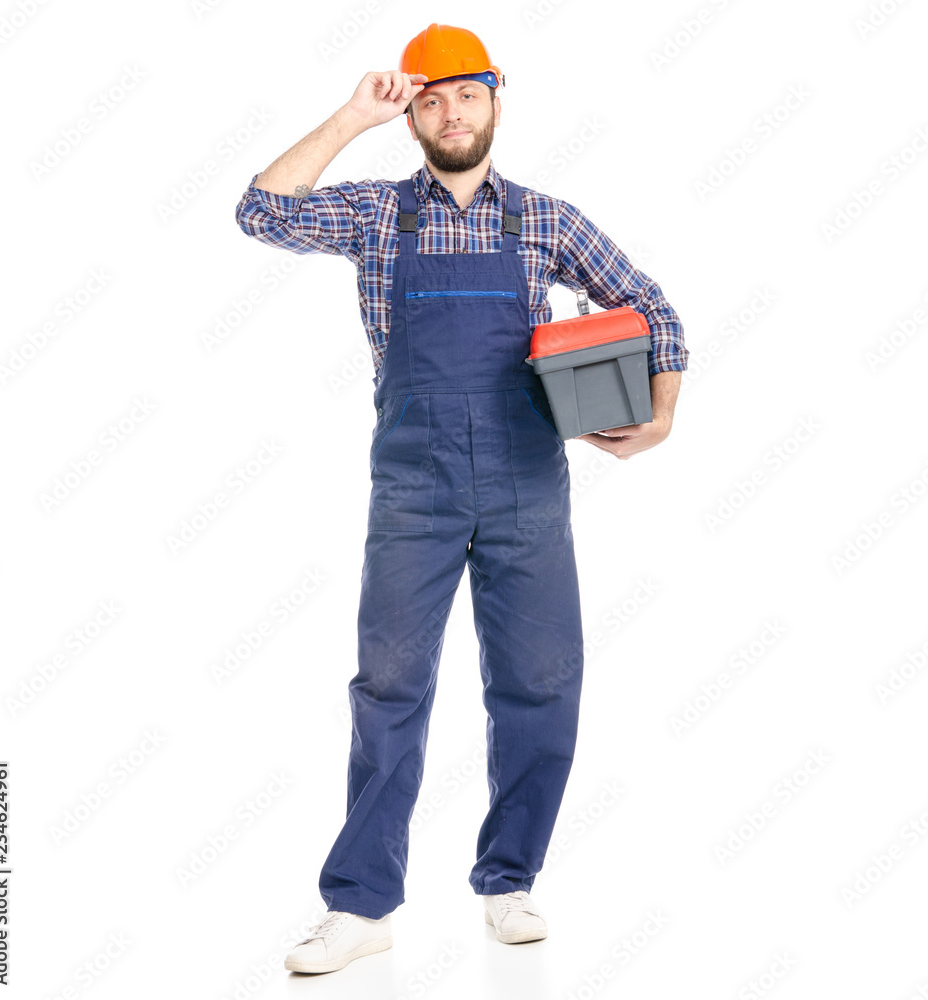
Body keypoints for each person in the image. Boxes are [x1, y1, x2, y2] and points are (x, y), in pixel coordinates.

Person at [234, 22, 689, 976]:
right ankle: (362, 906)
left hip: (528, 483)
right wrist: (353, 116)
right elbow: (261, 212)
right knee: (390, 689)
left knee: (540, 685)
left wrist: (658, 416)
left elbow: (655, 310)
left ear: (494, 100)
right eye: (430, 98)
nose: (450, 112)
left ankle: (508, 881)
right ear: (414, 116)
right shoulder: (375, 215)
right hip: (414, 483)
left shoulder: (544, 222)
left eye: (466, 94)